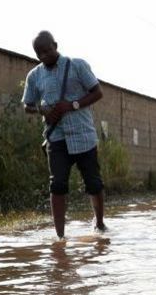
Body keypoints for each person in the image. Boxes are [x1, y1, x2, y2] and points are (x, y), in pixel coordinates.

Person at [22, 30, 107, 239]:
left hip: (83, 135)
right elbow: (27, 105)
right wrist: (42, 110)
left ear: (56, 45)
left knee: (94, 183)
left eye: (47, 50)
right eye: (39, 53)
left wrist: (72, 105)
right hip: (56, 138)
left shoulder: (77, 65)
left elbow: (97, 92)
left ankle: (100, 224)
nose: (44, 56)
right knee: (57, 185)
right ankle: (60, 238)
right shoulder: (34, 76)